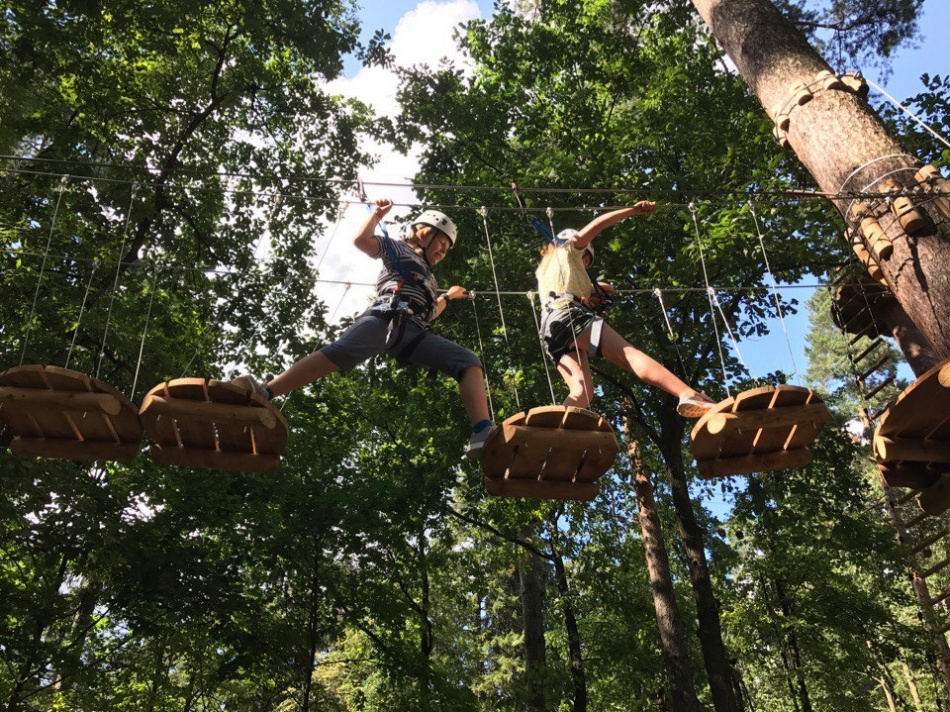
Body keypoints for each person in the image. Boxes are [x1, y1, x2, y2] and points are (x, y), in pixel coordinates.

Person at [234, 199, 495, 459]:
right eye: (442, 245)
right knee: (337, 353)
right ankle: (265, 392)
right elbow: (361, 242)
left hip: (416, 330)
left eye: (447, 250)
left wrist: (447, 297)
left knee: (467, 361)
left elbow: (429, 313)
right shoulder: (397, 248)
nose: (443, 252)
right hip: (385, 317)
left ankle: (482, 431)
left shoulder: (430, 278)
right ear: (425, 233)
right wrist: (376, 217)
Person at [536, 201, 715, 417]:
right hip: (569, 316)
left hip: (551, 331)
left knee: (582, 390)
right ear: (582, 254)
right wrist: (632, 210)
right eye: (586, 259)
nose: (585, 264)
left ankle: (558, 430)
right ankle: (687, 393)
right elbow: (597, 225)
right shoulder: (571, 250)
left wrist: (596, 293)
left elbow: (604, 289)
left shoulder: (547, 269)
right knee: (628, 354)